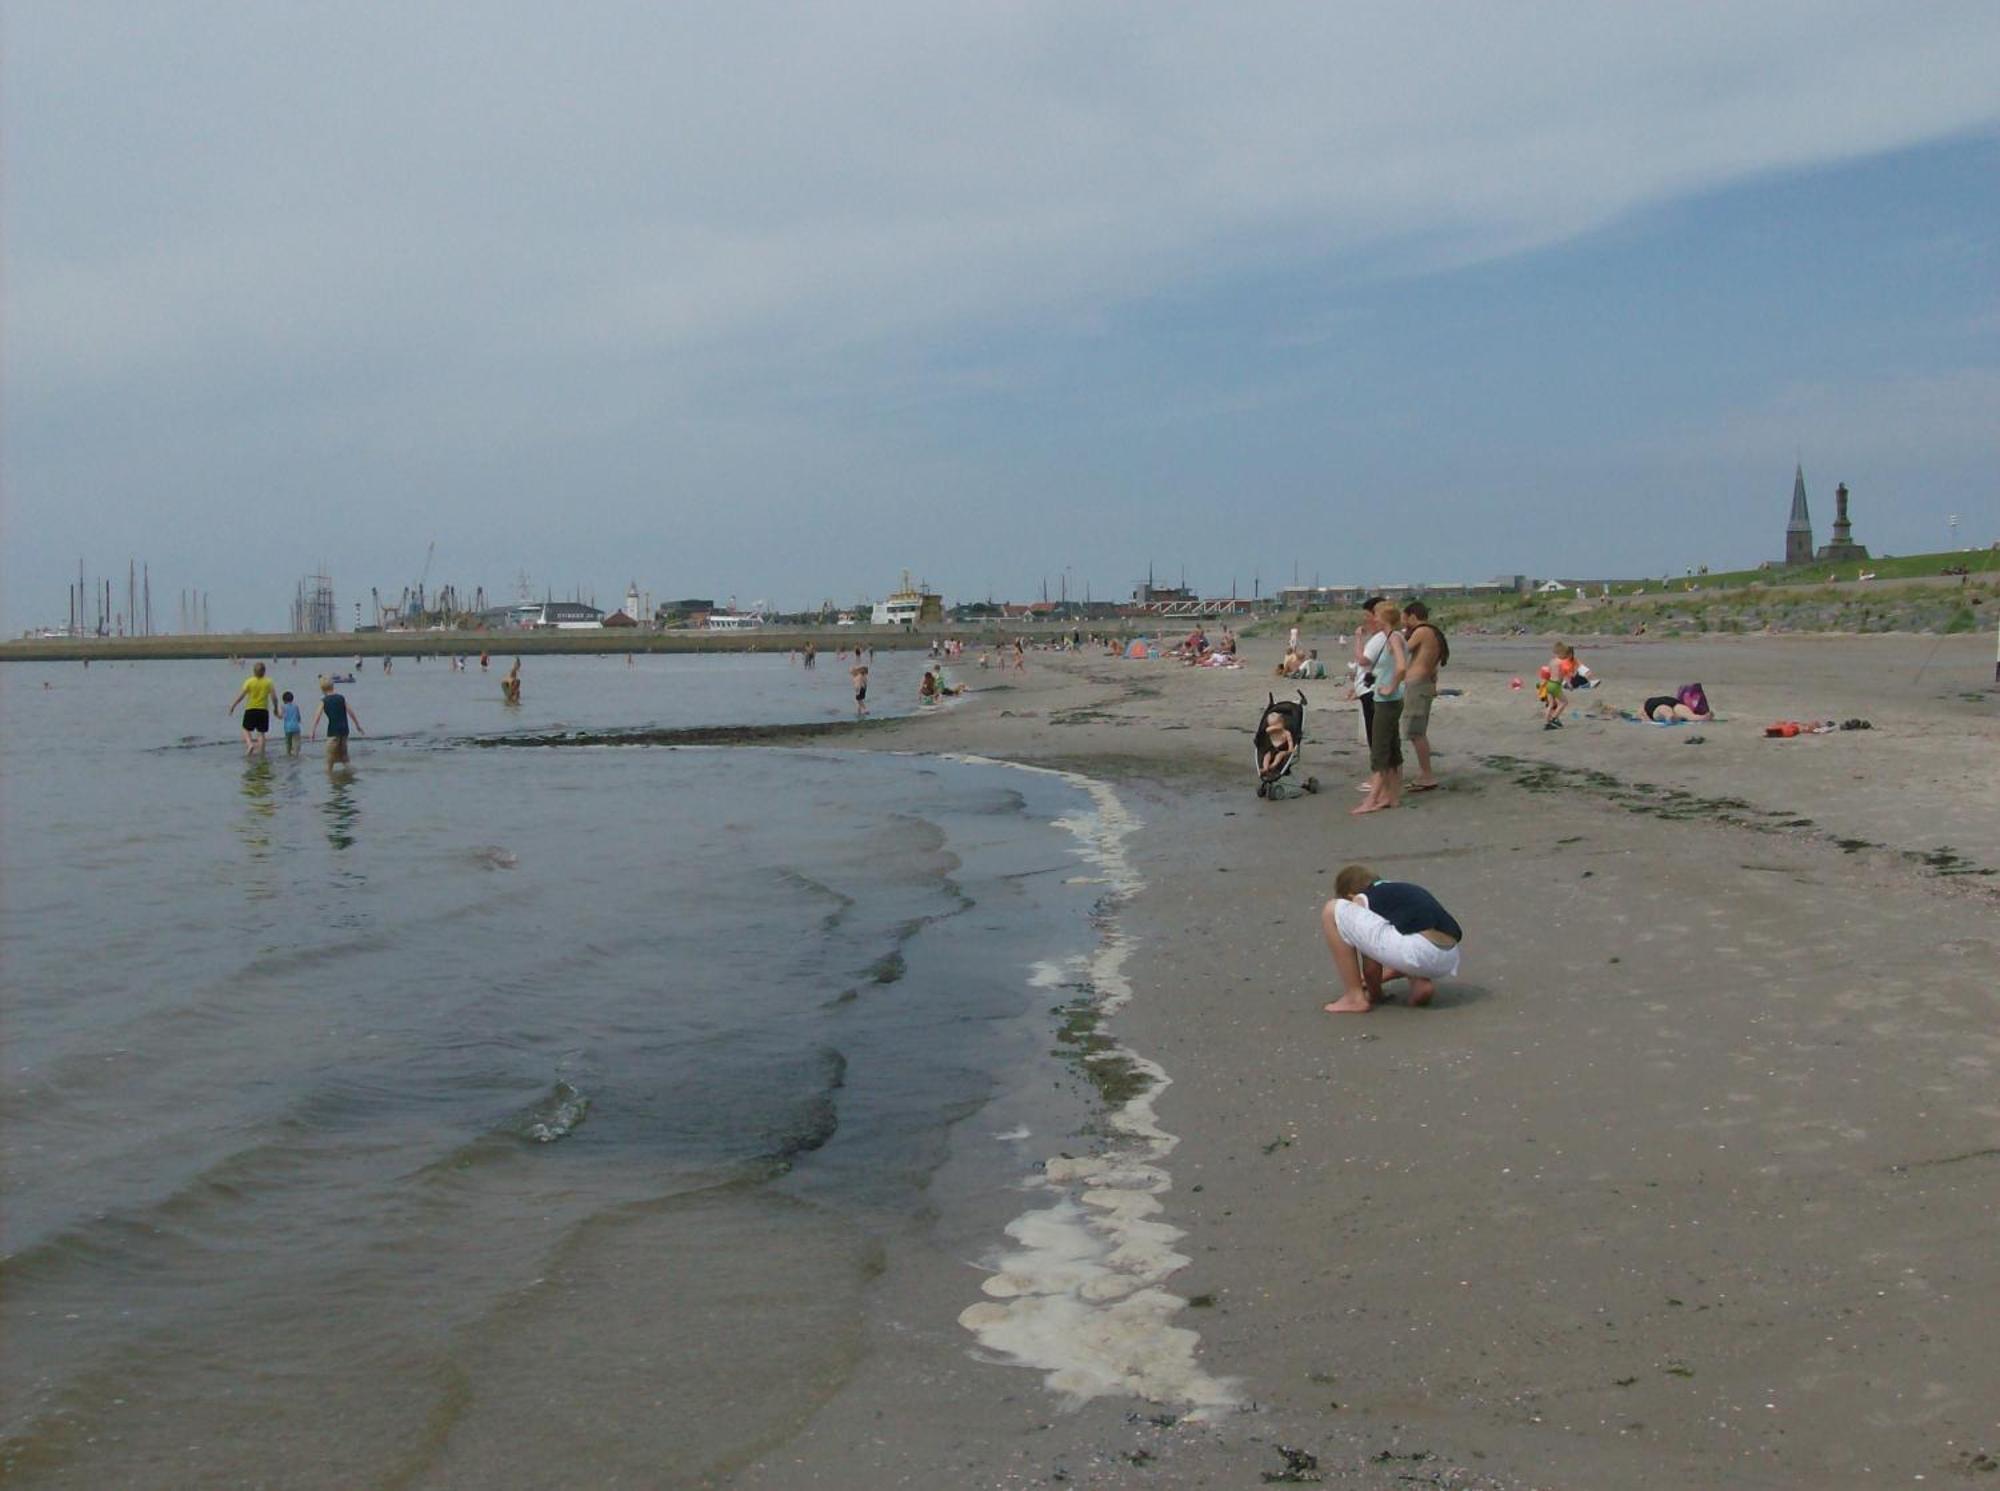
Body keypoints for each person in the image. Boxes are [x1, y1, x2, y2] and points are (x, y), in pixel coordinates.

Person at [1321, 864, 1463, 1014]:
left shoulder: (1363, 899)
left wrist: (1376, 994)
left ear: (1350, 895)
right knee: (1404, 930)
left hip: (1419, 952)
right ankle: (1419, 983)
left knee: (1331, 910)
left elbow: (1371, 965)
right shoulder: (1399, 891)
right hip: (1449, 956)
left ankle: (1354, 998)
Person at [1354, 601, 1407, 814]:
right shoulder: (1392, 637)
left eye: (1375, 615)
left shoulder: (1393, 637)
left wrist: (1391, 686)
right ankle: (1391, 797)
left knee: (1380, 751)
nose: (1372, 618)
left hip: (1388, 700)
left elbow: (1402, 666)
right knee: (1392, 750)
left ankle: (1371, 800)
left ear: (1383, 617)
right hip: (1389, 699)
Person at [1401, 600, 1446, 791]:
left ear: (1412, 616)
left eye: (1405, 618)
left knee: (1416, 732)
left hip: (1417, 686)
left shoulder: (1422, 632)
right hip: (1423, 684)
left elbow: (1402, 650)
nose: (1404, 623)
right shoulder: (1432, 633)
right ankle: (1425, 773)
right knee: (1417, 732)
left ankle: (1426, 774)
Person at [307, 677, 364, 770]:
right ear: (333, 686)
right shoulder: (341, 698)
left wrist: (312, 731)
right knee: (345, 758)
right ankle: (352, 774)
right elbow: (350, 712)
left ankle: (330, 780)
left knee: (329, 762)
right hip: (345, 731)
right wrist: (358, 726)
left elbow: (317, 716)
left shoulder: (324, 701)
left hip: (333, 732)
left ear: (322, 689)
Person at [227, 662, 278, 756]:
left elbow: (241, 696)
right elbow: (274, 697)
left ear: (254, 671)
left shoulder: (249, 681)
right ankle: (262, 752)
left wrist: (233, 706)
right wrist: (276, 708)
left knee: (245, 729)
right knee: (261, 733)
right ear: (264, 671)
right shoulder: (268, 682)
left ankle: (250, 744)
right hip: (263, 710)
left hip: (251, 708)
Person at [1257, 710, 1296, 786]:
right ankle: (1265, 768)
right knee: (1267, 756)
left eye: (1278, 724)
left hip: (1283, 749)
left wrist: (1290, 749)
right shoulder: (1271, 731)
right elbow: (1267, 730)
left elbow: (1290, 741)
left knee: (1279, 755)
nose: (1274, 727)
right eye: (1271, 725)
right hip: (1273, 749)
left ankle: (1273, 765)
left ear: (1283, 723)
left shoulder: (1286, 733)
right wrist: (1276, 727)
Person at [279, 690, 304, 756]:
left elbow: (281, 716)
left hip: (287, 728)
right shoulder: (296, 706)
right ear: (292, 699)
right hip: (296, 727)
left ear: (284, 700)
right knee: (296, 742)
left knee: (288, 742)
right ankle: (296, 753)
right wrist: (299, 720)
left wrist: (277, 714)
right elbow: (298, 717)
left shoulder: (283, 707)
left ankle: (288, 753)